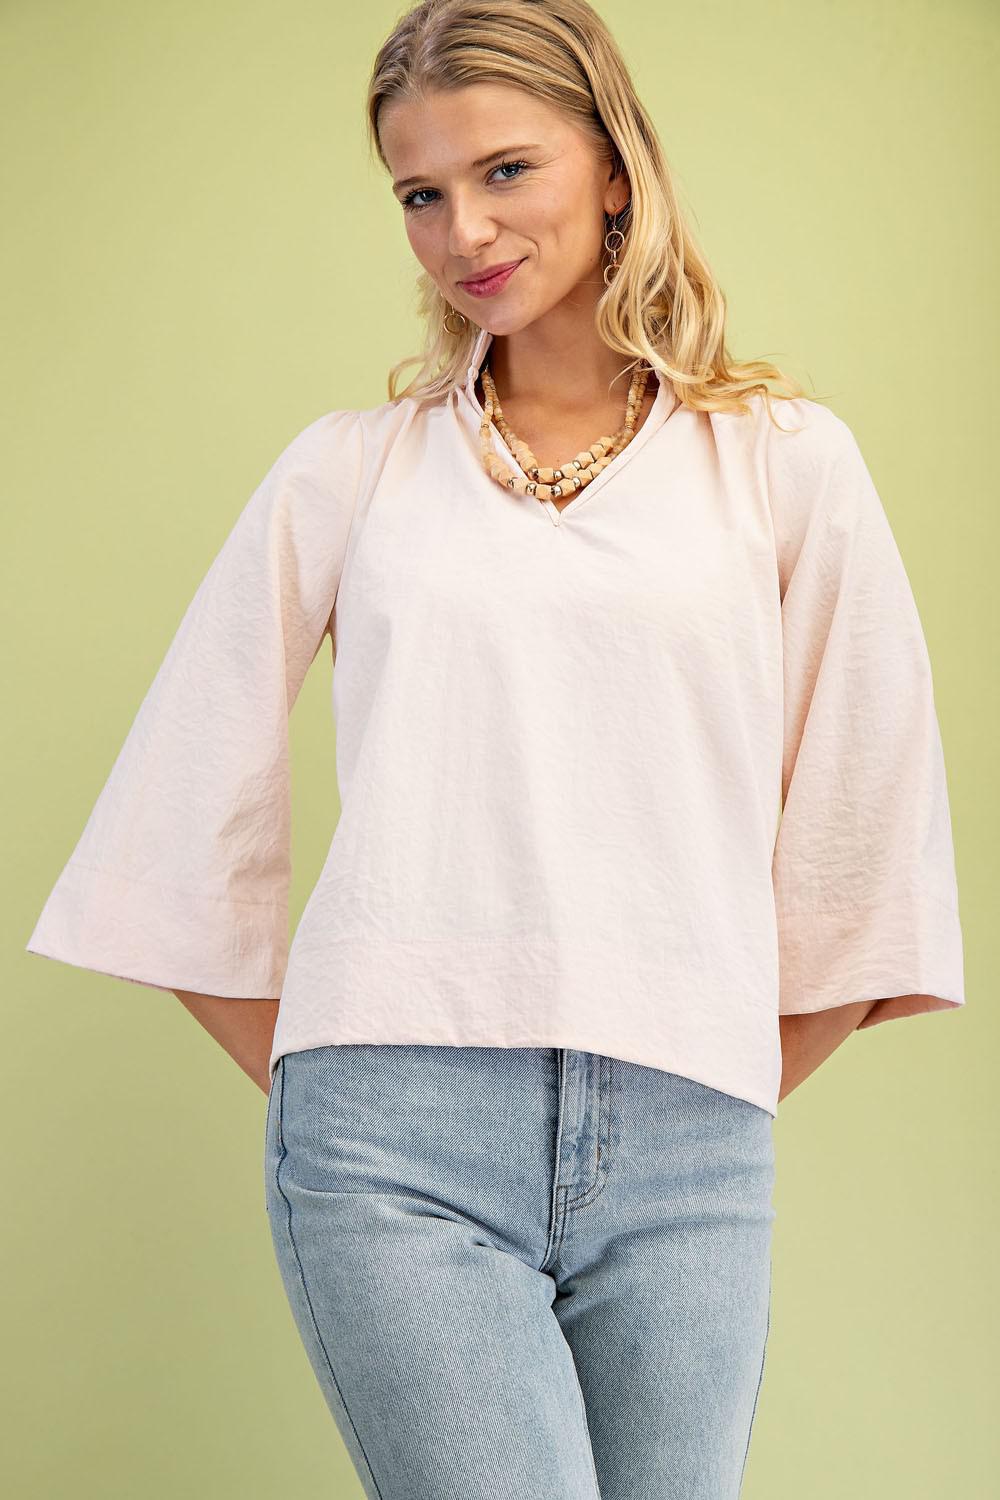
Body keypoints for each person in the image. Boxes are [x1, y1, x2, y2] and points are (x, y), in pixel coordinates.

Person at [25, 1, 966, 1495]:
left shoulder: (787, 465)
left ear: (614, 168)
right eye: (420, 192)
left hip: (692, 1138)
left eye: (504, 170)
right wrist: (347, 1084)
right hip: (392, 1142)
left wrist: (702, 1066)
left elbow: (871, 816)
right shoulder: (353, 471)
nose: (461, 230)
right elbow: (172, 813)